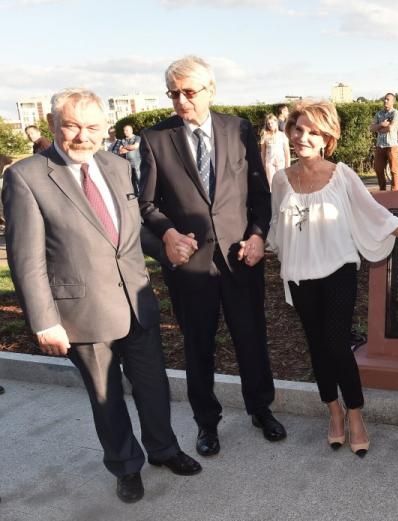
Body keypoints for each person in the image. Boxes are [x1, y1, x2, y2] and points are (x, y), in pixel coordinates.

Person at [2, 88, 202, 504]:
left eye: (92, 127)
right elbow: (26, 259)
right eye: (72, 125)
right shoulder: (27, 176)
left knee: (154, 387)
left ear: (105, 128)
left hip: (136, 301)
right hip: (81, 313)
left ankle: (164, 450)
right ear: (54, 125)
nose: (82, 136)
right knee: (106, 397)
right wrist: (44, 320)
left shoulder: (115, 164)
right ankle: (125, 466)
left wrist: (165, 242)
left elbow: (127, 233)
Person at [266, 100, 398, 457]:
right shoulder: (281, 180)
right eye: (298, 129)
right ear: (289, 133)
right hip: (298, 274)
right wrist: (259, 247)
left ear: (327, 137)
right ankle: (334, 413)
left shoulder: (341, 175)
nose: (303, 137)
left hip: (337, 272)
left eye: (313, 132)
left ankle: (355, 415)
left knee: (337, 345)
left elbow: (374, 212)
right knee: (316, 346)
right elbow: (276, 229)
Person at [139, 56, 284, 457]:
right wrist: (168, 234)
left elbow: (260, 195)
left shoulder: (238, 129)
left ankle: (261, 409)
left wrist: (257, 236)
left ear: (210, 90)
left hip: (241, 258)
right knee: (198, 347)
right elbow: (146, 204)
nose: (181, 101)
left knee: (251, 339)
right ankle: (206, 423)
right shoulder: (155, 138)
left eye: (189, 92)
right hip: (191, 265)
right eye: (174, 93)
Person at [370, 93, 398, 191]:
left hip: (391, 145)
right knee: (378, 169)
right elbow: (371, 128)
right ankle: (382, 191)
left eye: (388, 99)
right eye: (385, 99)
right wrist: (382, 124)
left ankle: (394, 192)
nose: (385, 101)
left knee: (393, 170)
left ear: (393, 102)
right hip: (380, 145)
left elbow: (391, 128)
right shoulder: (379, 114)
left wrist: (379, 128)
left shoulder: (396, 113)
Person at [259, 113, 290, 188]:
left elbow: (287, 152)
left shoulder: (283, 135)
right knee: (271, 184)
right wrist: (263, 164)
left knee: (282, 183)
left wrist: (288, 166)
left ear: (276, 123)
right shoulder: (265, 136)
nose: (270, 125)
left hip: (281, 162)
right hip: (269, 163)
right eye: (268, 123)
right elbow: (263, 152)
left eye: (272, 123)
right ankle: (272, 199)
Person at [118, 124, 141, 193]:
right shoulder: (123, 140)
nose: (125, 132)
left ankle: (142, 194)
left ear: (131, 130)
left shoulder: (137, 138)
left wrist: (124, 147)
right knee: (131, 180)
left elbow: (135, 147)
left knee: (139, 179)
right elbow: (120, 151)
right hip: (127, 163)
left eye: (126, 130)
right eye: (124, 130)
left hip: (136, 162)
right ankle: (136, 195)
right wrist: (129, 147)